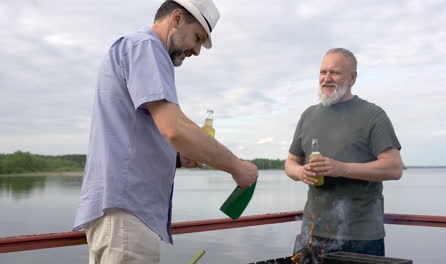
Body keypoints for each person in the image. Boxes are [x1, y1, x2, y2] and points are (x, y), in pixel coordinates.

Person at [73, 1, 258, 263]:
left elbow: (132, 136)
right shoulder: (147, 47)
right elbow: (174, 129)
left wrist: (178, 159)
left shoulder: (133, 49)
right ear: (177, 18)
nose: (196, 51)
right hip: (127, 213)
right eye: (197, 38)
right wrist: (237, 168)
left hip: (117, 212)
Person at [285, 48, 403, 259]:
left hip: (360, 236)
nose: (326, 78)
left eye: (335, 73)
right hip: (311, 233)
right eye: (322, 72)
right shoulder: (308, 114)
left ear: (353, 77)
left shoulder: (373, 115)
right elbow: (291, 162)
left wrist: (342, 168)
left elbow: (394, 168)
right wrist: (300, 172)